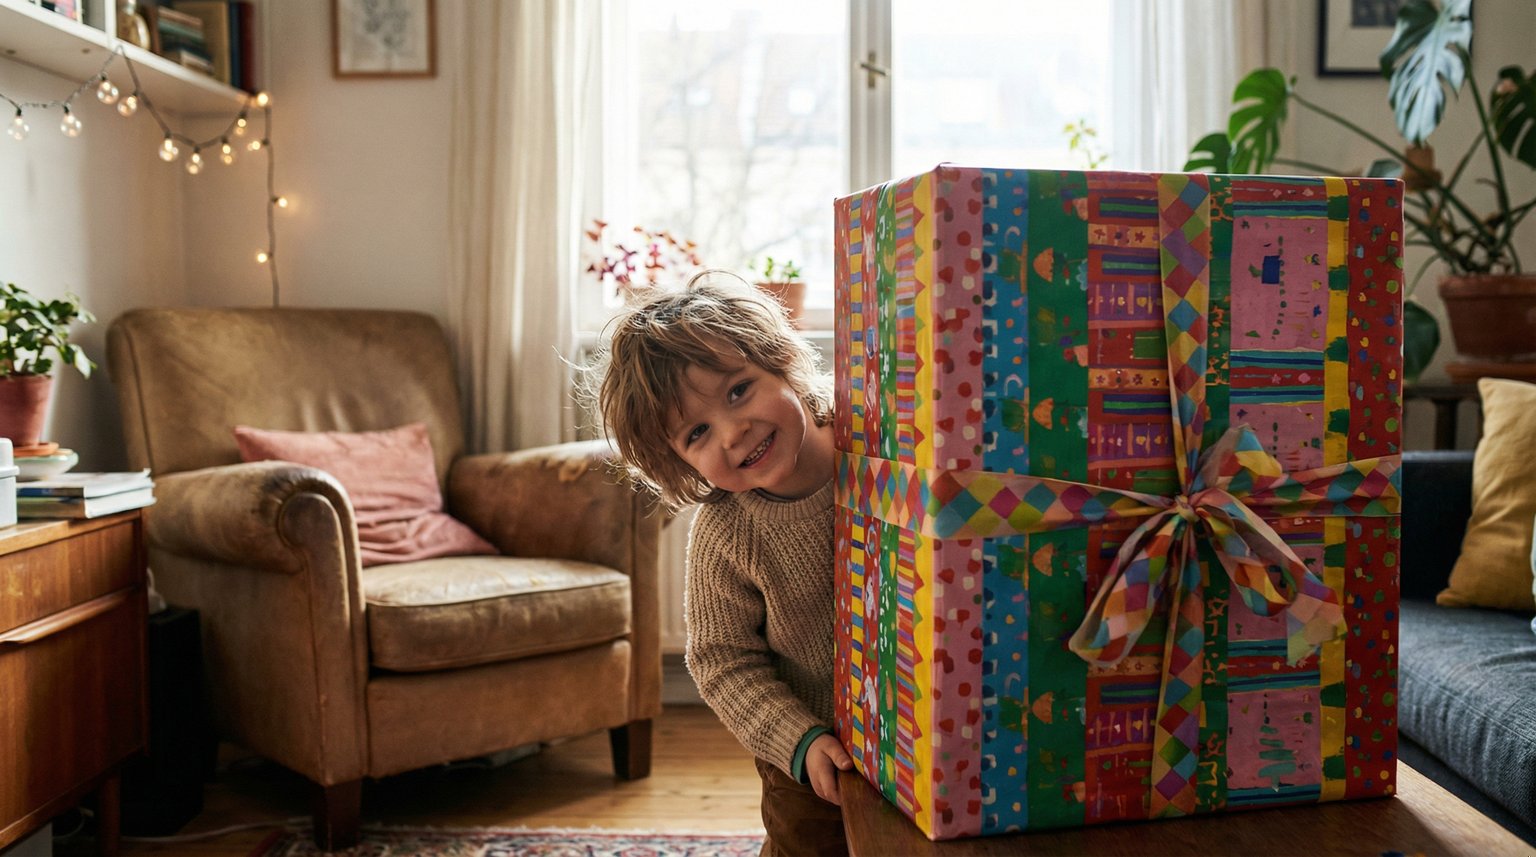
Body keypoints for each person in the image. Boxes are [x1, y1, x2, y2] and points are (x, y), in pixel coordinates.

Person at [593, 273, 852, 855]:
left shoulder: (878, 436)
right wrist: (799, 740)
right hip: (812, 754)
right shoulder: (726, 534)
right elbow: (721, 660)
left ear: (781, 361)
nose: (735, 431)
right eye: (698, 432)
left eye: (739, 391)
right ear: (679, 461)